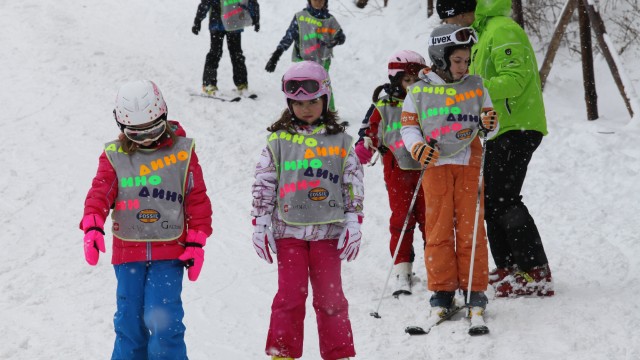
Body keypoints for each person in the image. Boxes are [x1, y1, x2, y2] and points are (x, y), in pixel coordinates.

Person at [80, 80, 213, 358]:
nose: (146, 139)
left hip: (170, 252)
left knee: (164, 323)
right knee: (129, 324)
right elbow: (100, 192)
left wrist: (197, 241)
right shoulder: (115, 156)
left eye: (152, 130)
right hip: (129, 253)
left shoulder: (182, 153)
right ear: (121, 127)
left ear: (163, 116)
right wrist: (92, 225)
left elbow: (196, 198)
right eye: (136, 134)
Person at [437, 0, 554, 297]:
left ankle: (535, 270)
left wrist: (473, 85)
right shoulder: (479, 34)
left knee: (504, 198)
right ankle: (509, 267)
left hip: (518, 125)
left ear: (461, 12)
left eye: (448, 20)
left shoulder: (503, 30)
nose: (448, 27)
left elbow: (515, 81)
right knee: (489, 198)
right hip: (497, 128)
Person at [251, 61, 363, 360]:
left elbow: (352, 181)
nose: (307, 108)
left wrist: (354, 219)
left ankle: (338, 354)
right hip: (289, 232)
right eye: (299, 103)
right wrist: (261, 222)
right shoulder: (278, 141)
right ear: (289, 103)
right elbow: (264, 182)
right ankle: (282, 353)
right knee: (289, 297)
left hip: (329, 232)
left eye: (313, 101)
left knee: (331, 299)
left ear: (325, 99)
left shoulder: (340, 141)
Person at [400, 24, 499, 331]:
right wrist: (417, 147)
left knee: (471, 227)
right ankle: (442, 293)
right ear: (440, 57)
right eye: (458, 60)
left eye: (467, 60)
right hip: (436, 164)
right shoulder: (418, 90)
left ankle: (474, 291)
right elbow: (408, 127)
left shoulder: (476, 85)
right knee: (439, 228)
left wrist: (489, 122)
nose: (464, 66)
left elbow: (491, 124)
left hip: (469, 161)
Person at [354, 50, 428, 297]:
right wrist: (365, 145)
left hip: (429, 168)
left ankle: (438, 265)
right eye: (407, 81)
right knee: (403, 217)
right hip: (397, 169)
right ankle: (402, 269)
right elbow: (368, 130)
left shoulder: (429, 102)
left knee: (432, 219)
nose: (412, 86)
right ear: (396, 81)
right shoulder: (384, 105)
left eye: (417, 80)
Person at [264, 0, 345, 111]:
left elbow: (341, 36)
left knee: (324, 87)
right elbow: (288, 37)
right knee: (304, 87)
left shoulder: (330, 20)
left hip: (323, 61)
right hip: (303, 61)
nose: (318, 2)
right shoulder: (300, 17)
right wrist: (275, 56)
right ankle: (303, 113)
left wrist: (336, 40)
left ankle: (329, 114)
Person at [192, 0, 260, 95]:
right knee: (215, 53)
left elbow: (250, 1)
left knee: (237, 54)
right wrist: (198, 19)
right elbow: (206, 2)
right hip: (217, 23)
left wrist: (255, 17)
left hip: (234, 22)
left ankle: (242, 84)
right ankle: (209, 84)